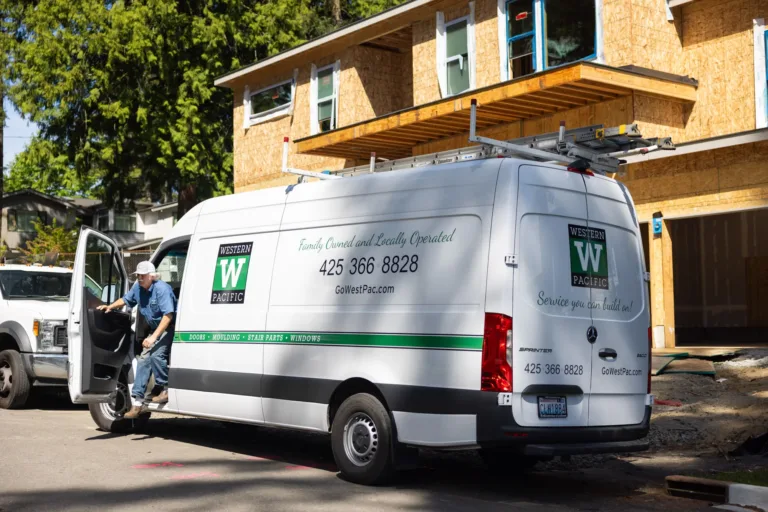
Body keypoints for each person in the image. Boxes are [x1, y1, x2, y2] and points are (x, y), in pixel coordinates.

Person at [98, 261, 177, 418]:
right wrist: (110, 307)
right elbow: (126, 300)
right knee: (142, 360)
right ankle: (138, 403)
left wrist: (153, 337)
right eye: (138, 275)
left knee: (155, 355)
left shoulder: (162, 289)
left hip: (169, 328)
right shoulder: (138, 288)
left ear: (152, 276)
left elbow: (168, 316)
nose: (139, 278)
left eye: (142, 275)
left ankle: (165, 389)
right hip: (156, 330)